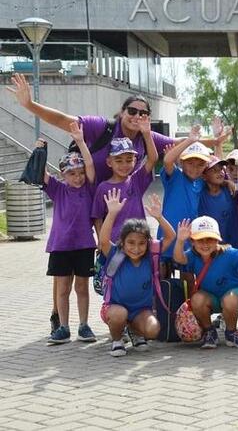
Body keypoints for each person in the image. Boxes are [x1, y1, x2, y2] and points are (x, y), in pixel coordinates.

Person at [4, 73, 232, 184]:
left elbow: (180, 144)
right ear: (122, 112)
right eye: (132, 111)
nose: (137, 116)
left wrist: (214, 142)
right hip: (87, 193)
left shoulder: (147, 137)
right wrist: (30, 105)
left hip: (119, 198)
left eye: (143, 113)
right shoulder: (102, 126)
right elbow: (64, 120)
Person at [98, 189, 175, 357]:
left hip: (141, 310)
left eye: (141, 243)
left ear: (147, 244)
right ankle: (117, 340)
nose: (136, 248)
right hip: (115, 308)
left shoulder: (151, 256)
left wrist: (159, 217)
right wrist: (111, 214)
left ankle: (135, 330)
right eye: (131, 243)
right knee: (119, 314)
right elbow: (103, 240)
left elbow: (171, 236)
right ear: (122, 243)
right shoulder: (116, 255)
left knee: (153, 329)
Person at [43, 123, 97, 344]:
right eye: (72, 174)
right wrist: (40, 149)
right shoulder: (57, 189)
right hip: (61, 246)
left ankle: (84, 325)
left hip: (84, 245)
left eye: (80, 173)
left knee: (81, 287)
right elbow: (40, 173)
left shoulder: (89, 188)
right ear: (63, 175)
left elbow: (91, 165)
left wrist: (81, 141)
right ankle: (63, 327)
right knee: (63, 288)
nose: (78, 178)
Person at [173, 216, 238, 350]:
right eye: (200, 240)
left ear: (218, 239)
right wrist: (180, 241)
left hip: (233, 295)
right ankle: (210, 331)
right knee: (197, 299)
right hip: (210, 298)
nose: (205, 244)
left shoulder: (229, 253)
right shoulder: (192, 255)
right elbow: (178, 258)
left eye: (210, 239)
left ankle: (231, 332)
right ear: (192, 241)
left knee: (229, 300)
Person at [90, 116, 158, 240]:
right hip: (114, 244)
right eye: (119, 160)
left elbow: (153, 159)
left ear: (135, 161)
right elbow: (97, 218)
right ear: (109, 162)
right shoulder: (103, 187)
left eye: (128, 160)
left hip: (139, 243)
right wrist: (102, 242)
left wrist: (147, 134)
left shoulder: (136, 180)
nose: (124, 165)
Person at [158, 125, 208, 265]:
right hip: (168, 233)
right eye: (190, 163)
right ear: (181, 162)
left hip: (188, 235)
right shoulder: (175, 176)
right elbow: (167, 160)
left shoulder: (201, 182)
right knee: (162, 271)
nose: (195, 168)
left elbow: (218, 172)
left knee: (187, 269)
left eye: (200, 164)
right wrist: (190, 140)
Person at [199, 155, 238, 247]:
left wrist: (228, 182)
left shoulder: (230, 190)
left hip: (234, 246)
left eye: (221, 169)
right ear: (204, 175)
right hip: (212, 248)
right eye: (214, 170)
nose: (220, 173)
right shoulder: (199, 194)